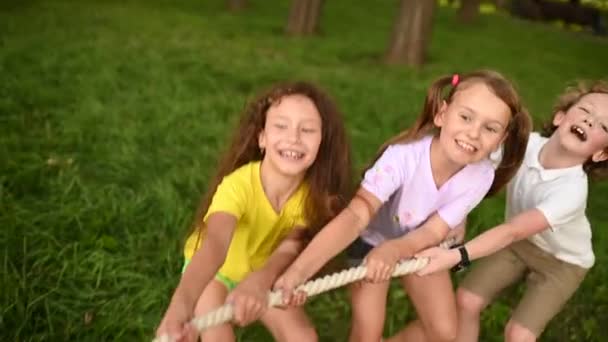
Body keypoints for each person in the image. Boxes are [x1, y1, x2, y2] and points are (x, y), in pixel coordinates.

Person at [275, 70, 532, 342]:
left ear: (501, 140)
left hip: (417, 243)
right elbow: (356, 214)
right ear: (442, 114)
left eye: (490, 128)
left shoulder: (482, 175)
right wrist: (298, 272)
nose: (474, 133)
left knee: (444, 333)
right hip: (369, 241)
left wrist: (396, 250)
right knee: (368, 334)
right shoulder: (403, 158)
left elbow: (433, 233)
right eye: (466, 117)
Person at [155, 81, 353, 342]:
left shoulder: (313, 196)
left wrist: (260, 280)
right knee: (218, 337)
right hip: (216, 273)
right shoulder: (238, 186)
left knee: (303, 336)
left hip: (261, 269)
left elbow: (289, 248)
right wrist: (178, 310)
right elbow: (214, 246)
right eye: (281, 126)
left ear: (322, 143)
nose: (293, 137)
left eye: (306, 130)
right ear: (262, 137)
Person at [416, 80, 608, 341]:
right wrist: (457, 217)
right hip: (519, 245)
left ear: (601, 154)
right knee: (466, 300)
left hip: (561, 263)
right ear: (560, 116)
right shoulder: (523, 147)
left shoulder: (571, 192)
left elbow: (512, 230)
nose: (590, 122)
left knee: (518, 334)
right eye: (586, 111)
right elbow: (474, 171)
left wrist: (456, 256)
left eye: (604, 126)